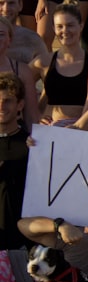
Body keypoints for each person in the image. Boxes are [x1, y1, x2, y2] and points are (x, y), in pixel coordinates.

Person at [36, 2, 88, 125]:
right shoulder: (44, 62)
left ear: (81, 26)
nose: (65, 31)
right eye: (60, 26)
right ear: (53, 28)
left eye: (70, 25)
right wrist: (35, 115)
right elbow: (18, 87)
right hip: (50, 128)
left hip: (83, 130)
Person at [0, 71, 28, 250]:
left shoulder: (31, 145)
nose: (1, 106)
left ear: (20, 105)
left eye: (7, 100)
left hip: (20, 244)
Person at [0, 0, 46, 65]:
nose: (6, 9)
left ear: (20, 5)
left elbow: (47, 74)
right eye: (1, 3)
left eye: (11, 3)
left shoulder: (32, 40)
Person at [0, 17, 36, 125]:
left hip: (14, 135)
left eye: (1, 34)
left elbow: (31, 115)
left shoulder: (22, 71)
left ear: (10, 40)